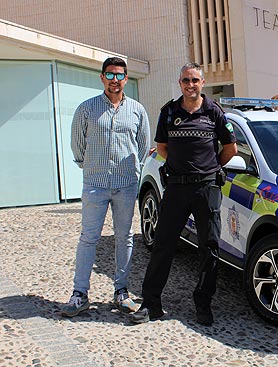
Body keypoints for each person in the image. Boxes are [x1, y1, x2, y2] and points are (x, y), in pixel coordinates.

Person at [131, 62, 237, 326]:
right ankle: (151, 304)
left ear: (203, 83)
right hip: (176, 188)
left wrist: (210, 168)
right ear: (180, 83)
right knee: (162, 246)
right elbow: (162, 147)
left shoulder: (214, 112)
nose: (191, 85)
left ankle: (204, 304)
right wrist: (181, 166)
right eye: (186, 80)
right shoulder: (169, 112)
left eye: (195, 80)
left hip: (206, 188)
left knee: (209, 247)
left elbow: (230, 149)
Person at [61, 57, 151, 317]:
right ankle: (80, 294)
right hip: (95, 185)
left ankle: (121, 292)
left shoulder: (137, 110)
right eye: (110, 75)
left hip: (125, 185)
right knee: (88, 238)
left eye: (120, 75)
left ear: (125, 78)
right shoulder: (86, 109)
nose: (115, 80)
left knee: (124, 238)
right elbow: (77, 145)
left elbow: (142, 146)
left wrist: (134, 170)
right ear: (102, 77)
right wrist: (87, 167)